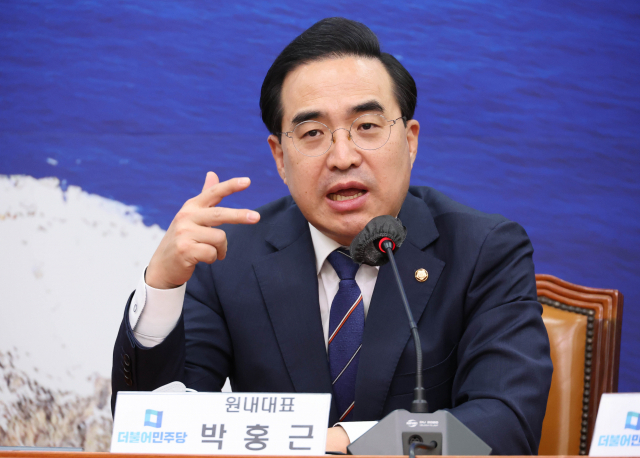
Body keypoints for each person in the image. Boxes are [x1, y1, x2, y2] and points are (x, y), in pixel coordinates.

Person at [112, 17, 552, 455]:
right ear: (280, 158)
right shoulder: (230, 258)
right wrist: (162, 286)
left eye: (367, 127)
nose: (343, 157)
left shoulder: (483, 250)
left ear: (410, 140)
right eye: (313, 134)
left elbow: (505, 423)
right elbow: (152, 432)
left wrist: (339, 444)